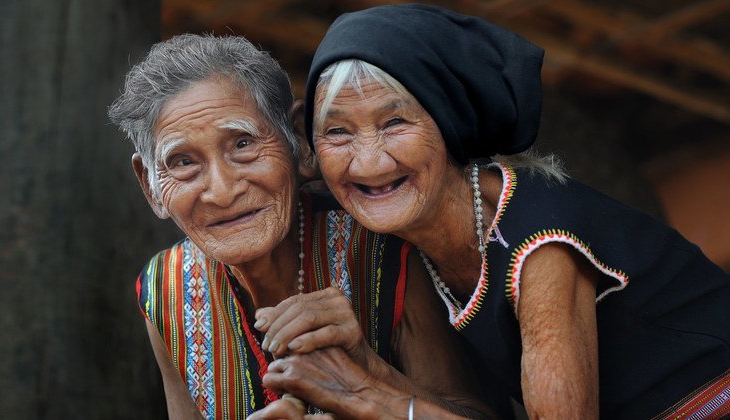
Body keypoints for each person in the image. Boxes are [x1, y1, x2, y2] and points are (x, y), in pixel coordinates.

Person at [251, 4, 730, 420]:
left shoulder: (538, 241)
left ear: (447, 124)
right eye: (338, 132)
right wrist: (368, 376)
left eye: (395, 122)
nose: (369, 161)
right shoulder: (413, 240)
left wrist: (368, 396)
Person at [108, 33, 492, 419]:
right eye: (182, 162)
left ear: (299, 142)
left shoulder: (381, 248)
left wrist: (368, 385)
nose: (222, 192)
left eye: (243, 143)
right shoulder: (166, 290)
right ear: (151, 186)